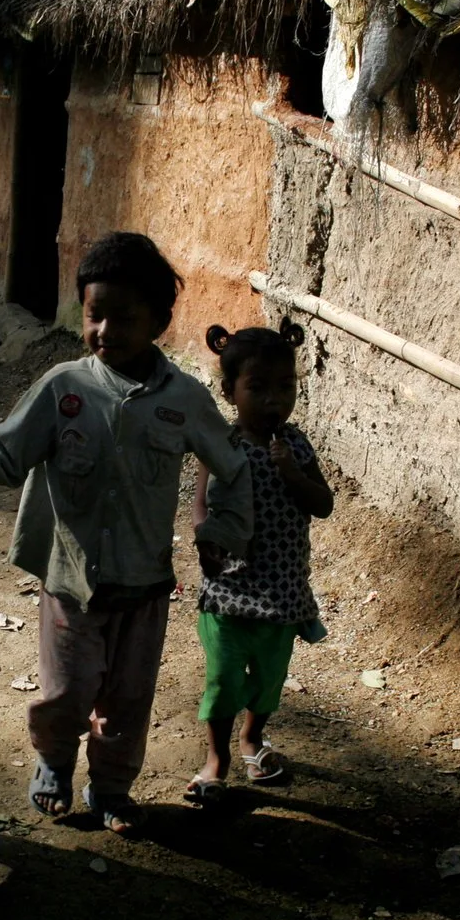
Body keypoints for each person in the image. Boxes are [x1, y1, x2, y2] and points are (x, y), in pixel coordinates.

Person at [0, 233, 253, 834]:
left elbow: (233, 464)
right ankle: (53, 760)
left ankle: (112, 788)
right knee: (67, 693)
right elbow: (6, 448)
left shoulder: (184, 400)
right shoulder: (64, 388)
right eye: (95, 315)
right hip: (71, 580)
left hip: (143, 587)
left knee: (126, 703)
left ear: (160, 321)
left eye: (125, 318)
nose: (106, 331)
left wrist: (222, 527)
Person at [185, 322, 333, 805]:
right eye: (259, 388)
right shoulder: (221, 444)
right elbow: (200, 502)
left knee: (269, 679)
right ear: (230, 391)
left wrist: (291, 471)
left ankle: (253, 739)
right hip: (229, 588)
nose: (275, 400)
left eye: (286, 388)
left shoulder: (297, 445)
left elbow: (323, 504)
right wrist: (205, 536)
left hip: (282, 590)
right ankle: (216, 759)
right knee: (225, 678)